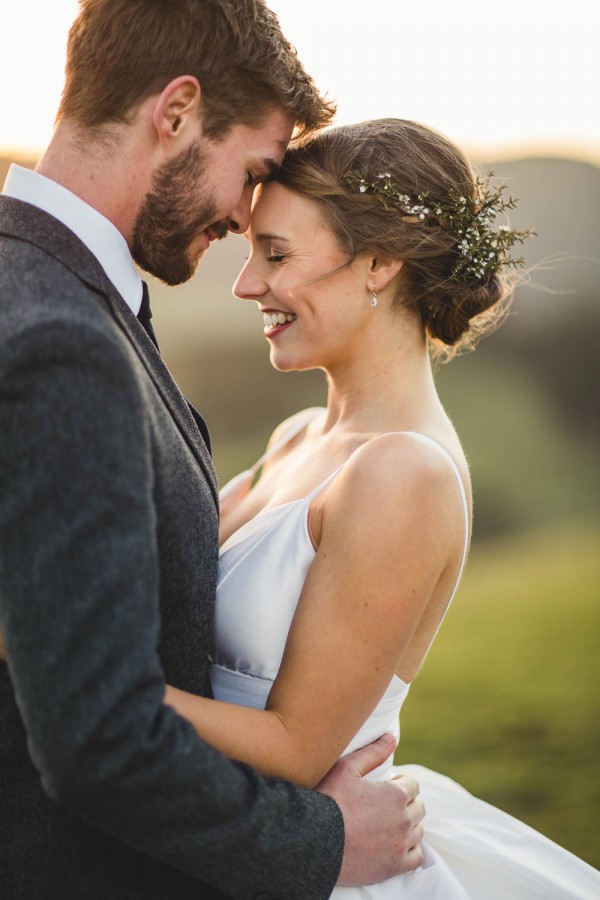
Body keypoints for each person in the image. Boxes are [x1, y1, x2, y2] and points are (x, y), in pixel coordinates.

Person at [0, 3, 426, 898]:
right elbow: (99, 736)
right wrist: (319, 843)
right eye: (254, 171)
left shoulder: (42, 288)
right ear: (178, 111)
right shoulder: (63, 336)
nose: (243, 216)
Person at [163, 118, 600, 898]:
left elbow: (297, 748)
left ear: (379, 262)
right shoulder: (299, 434)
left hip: (316, 863)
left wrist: (81, 681)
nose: (246, 284)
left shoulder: (404, 473)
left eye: (277, 254)